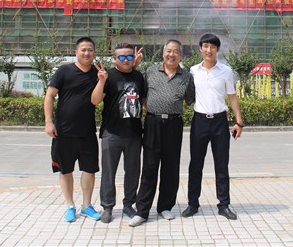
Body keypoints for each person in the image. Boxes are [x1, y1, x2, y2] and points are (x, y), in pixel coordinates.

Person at [128, 40, 195, 227]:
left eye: (176, 51)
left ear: (181, 55)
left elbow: (190, 99)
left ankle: (165, 206)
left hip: (174, 124)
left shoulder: (187, 76)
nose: (171, 54)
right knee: (149, 167)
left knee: (171, 167)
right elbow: (141, 95)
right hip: (153, 123)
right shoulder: (150, 71)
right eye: (168, 51)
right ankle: (142, 211)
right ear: (163, 53)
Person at [182, 33, 244, 220]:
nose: (209, 50)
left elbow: (232, 96)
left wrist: (239, 121)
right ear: (200, 48)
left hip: (219, 122)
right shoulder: (192, 71)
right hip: (199, 121)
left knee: (221, 164)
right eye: (206, 46)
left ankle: (224, 205)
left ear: (217, 49)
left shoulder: (225, 71)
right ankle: (193, 204)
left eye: (213, 47)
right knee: (195, 164)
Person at [44, 37, 102, 222]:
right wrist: (48, 122)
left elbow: (96, 100)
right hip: (63, 132)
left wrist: (101, 80)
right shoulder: (64, 71)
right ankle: (70, 205)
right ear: (76, 52)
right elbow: (50, 95)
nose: (87, 53)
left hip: (87, 132)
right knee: (65, 170)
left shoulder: (98, 73)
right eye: (83, 50)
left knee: (89, 170)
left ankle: (86, 205)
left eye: (90, 50)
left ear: (94, 53)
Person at [92, 43, 146, 223]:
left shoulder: (138, 76)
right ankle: (107, 206)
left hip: (134, 133)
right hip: (112, 133)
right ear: (115, 58)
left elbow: (143, 100)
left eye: (129, 56)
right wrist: (101, 81)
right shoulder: (107, 75)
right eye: (121, 57)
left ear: (134, 58)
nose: (125, 60)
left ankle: (129, 204)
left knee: (133, 172)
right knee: (109, 173)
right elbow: (95, 100)